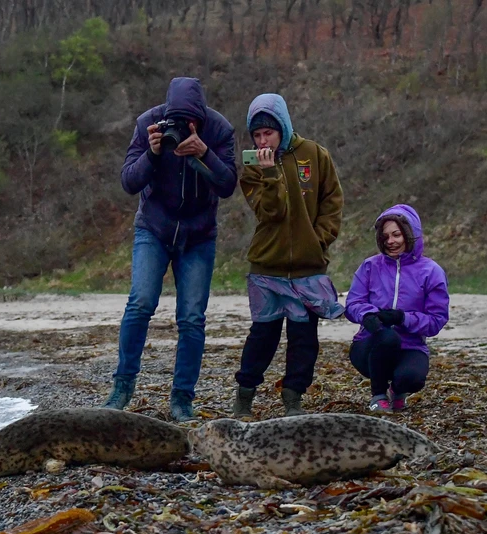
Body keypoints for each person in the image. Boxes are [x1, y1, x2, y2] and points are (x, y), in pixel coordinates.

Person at [102, 77, 238, 422]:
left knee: (192, 318)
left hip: (199, 234)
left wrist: (203, 152)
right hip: (154, 227)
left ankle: (182, 399)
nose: (183, 127)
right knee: (141, 302)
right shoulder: (147, 124)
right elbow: (129, 181)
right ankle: (122, 387)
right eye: (177, 120)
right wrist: (152, 151)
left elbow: (228, 186)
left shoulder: (219, 129)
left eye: (190, 122)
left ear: (201, 118)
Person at [232, 93, 344, 418]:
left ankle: (293, 396)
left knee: (304, 339)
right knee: (263, 336)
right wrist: (269, 174)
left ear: (282, 126)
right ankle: (244, 394)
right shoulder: (252, 167)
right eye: (257, 134)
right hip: (268, 267)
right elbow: (270, 213)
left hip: (309, 267)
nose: (263, 139)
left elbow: (332, 202)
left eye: (268, 132)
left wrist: (319, 240)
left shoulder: (315, 155)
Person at [344, 204, 449, 412]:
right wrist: (367, 316)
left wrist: (403, 318)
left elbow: (437, 320)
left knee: (413, 379)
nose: (391, 241)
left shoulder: (432, 272)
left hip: (411, 346)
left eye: (396, 235)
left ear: (410, 234)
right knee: (387, 338)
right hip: (370, 344)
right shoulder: (369, 266)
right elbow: (352, 304)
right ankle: (378, 396)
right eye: (385, 237)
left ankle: (397, 391)